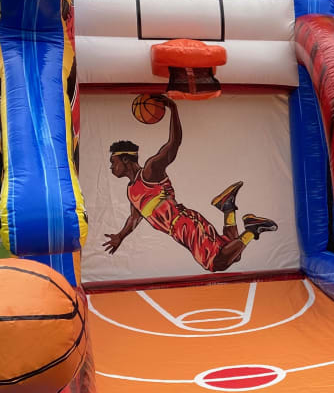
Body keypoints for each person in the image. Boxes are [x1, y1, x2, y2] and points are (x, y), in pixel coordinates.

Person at [104, 94, 277, 271]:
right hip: (181, 228)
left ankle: (252, 229)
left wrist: (173, 108)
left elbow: (174, 143)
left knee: (216, 263)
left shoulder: (150, 171)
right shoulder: (131, 190)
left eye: (113, 162)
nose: (111, 167)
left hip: (183, 224)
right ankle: (228, 207)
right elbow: (135, 217)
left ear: (125, 159)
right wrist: (120, 236)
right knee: (234, 253)